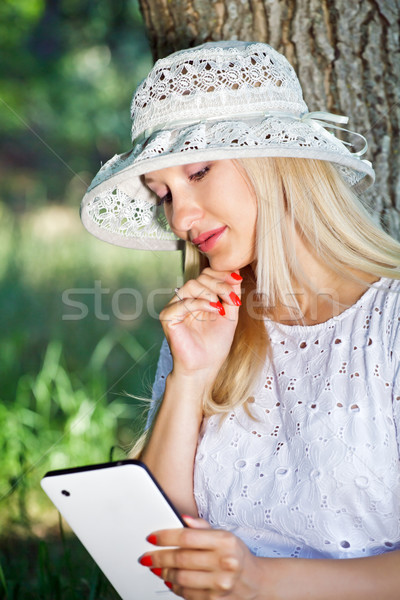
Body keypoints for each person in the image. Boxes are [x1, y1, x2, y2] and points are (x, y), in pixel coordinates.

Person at [81, 41, 400, 599]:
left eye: (199, 171)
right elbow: (152, 549)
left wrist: (260, 581)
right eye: (163, 196)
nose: (181, 217)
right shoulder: (211, 327)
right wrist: (191, 377)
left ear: (275, 156)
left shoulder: (389, 324)